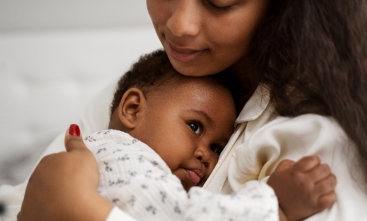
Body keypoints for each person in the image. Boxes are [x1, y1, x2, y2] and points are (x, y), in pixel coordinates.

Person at [5, 0, 367, 220]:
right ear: (132, 108)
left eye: (220, 2)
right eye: (194, 126)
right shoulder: (145, 92)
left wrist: (77, 208)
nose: (179, 25)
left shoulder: (318, 136)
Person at [80, 50, 335, 221]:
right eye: (194, 126)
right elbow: (185, 215)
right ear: (133, 109)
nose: (205, 156)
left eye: (216, 148)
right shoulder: (121, 159)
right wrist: (274, 203)